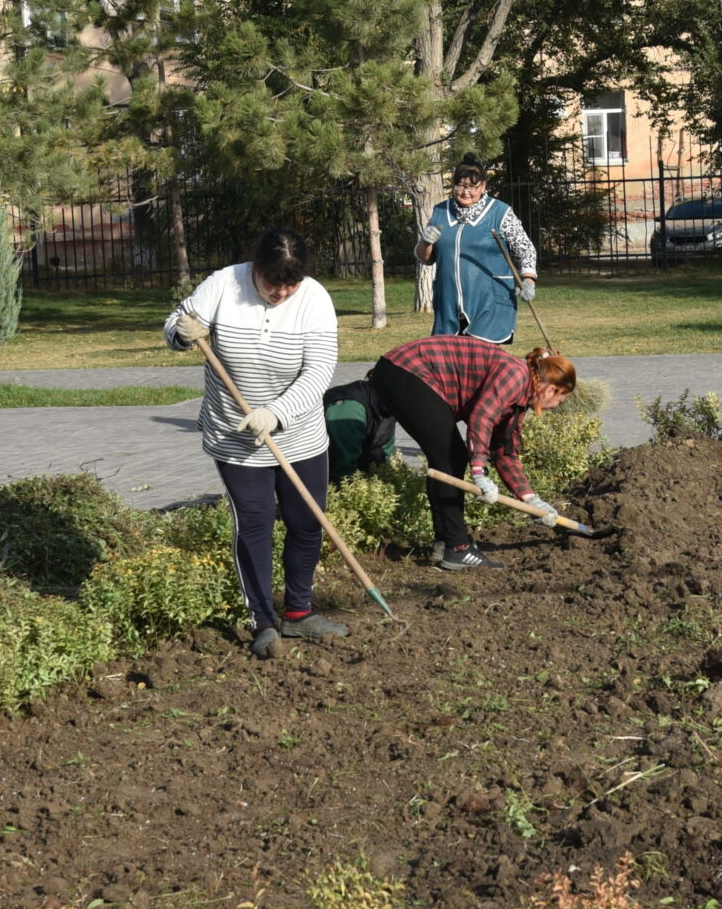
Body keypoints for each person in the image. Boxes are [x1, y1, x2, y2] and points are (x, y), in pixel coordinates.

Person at [164, 227, 345, 660]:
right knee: (256, 524)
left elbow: (320, 371)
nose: (281, 292)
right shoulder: (224, 285)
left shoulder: (315, 299)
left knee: (306, 522)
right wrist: (182, 331)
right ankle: (264, 621)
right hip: (235, 437)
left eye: (291, 283)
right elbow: (176, 323)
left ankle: (299, 613)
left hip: (299, 434)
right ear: (256, 268)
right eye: (272, 282)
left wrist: (277, 412)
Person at [370, 334, 573, 569]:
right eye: (562, 399)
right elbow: (482, 416)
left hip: (401, 372)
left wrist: (531, 499)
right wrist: (479, 472)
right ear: (550, 390)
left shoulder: (519, 401)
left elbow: (504, 452)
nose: (558, 406)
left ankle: (445, 543)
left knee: (448, 458)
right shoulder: (515, 375)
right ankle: (457, 549)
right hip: (406, 370)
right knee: (451, 457)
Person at [418, 155, 538, 343]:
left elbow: (525, 249)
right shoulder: (440, 211)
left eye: (472, 186)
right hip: (449, 303)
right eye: (460, 185)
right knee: (451, 364)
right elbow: (426, 258)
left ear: (483, 186)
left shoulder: (500, 212)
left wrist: (528, 280)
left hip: (490, 303)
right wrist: (425, 242)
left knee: (482, 364)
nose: (466, 191)